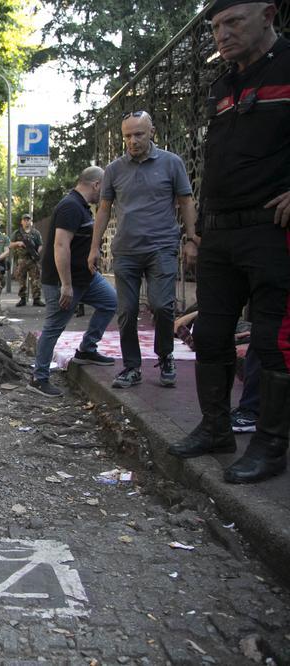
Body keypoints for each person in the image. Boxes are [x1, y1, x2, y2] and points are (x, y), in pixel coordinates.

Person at [167, 0, 289, 484]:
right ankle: (216, 428)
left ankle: (270, 445)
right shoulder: (223, 85)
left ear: (269, 15)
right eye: (216, 26)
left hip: (271, 229)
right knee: (211, 335)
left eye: (233, 21)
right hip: (219, 231)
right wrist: (196, 231)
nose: (222, 34)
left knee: (272, 341)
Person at [88, 111, 197, 390]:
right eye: (127, 136)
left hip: (161, 247)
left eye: (138, 134)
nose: (132, 141)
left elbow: (186, 201)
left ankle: (165, 356)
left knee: (162, 305)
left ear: (151, 132)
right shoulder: (114, 169)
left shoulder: (172, 163)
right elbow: (103, 210)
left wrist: (192, 238)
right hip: (126, 250)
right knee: (126, 310)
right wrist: (94, 247)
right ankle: (132, 367)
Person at [29, 167, 118, 397]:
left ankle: (87, 349)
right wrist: (66, 285)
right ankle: (39, 378)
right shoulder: (70, 206)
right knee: (53, 328)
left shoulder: (81, 207)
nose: (106, 193)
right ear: (97, 184)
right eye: (104, 187)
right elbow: (61, 246)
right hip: (65, 281)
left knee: (110, 301)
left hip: (85, 277)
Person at [10, 213, 44, 307]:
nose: (26, 221)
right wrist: (18, 243)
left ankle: (37, 299)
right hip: (22, 260)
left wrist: (36, 253)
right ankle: (22, 299)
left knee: (36, 280)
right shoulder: (17, 233)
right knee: (21, 280)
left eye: (28, 220)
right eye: (25, 220)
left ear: (31, 222)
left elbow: (40, 244)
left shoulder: (35, 233)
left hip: (33, 260)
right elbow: (10, 244)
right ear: (22, 222)